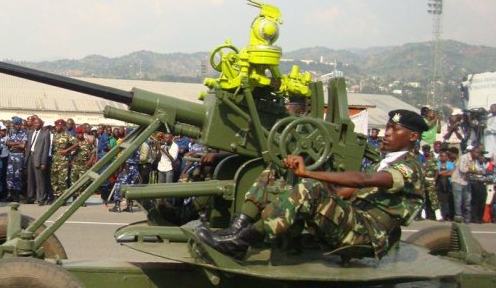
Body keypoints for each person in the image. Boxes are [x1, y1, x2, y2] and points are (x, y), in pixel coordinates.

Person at [195, 109, 427, 260]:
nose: (386, 134)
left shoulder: (409, 168)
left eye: (395, 130)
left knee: (310, 188)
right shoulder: (384, 162)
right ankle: (238, 229)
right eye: (387, 127)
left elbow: (363, 180)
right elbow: (344, 192)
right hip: (352, 222)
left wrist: (310, 178)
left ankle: (241, 243)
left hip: (367, 234)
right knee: (278, 170)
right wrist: (302, 174)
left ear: (413, 137)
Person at [50, 119, 76, 200]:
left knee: (62, 180)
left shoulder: (67, 135)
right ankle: (56, 196)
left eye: (59, 125)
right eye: (56, 125)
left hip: (63, 160)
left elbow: (76, 143)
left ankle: (63, 198)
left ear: (63, 126)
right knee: (54, 179)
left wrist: (67, 150)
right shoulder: (53, 135)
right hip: (54, 159)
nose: (57, 127)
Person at [5, 117, 27, 202]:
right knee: (9, 175)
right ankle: (10, 193)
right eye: (16, 124)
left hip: (19, 155)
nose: (18, 126)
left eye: (19, 124)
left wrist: (12, 144)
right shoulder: (10, 132)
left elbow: (23, 146)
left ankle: (17, 195)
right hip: (11, 155)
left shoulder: (23, 133)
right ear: (13, 125)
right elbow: (7, 143)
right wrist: (17, 143)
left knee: (17, 175)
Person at [435, 150, 455, 221]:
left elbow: (452, 173)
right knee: (439, 200)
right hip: (439, 185)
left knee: (447, 201)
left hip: (448, 184)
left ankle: (447, 215)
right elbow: (437, 173)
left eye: (445, 156)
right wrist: (447, 171)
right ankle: (441, 215)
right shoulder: (437, 164)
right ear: (440, 157)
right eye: (442, 156)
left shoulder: (450, 164)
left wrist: (442, 173)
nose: (443, 157)